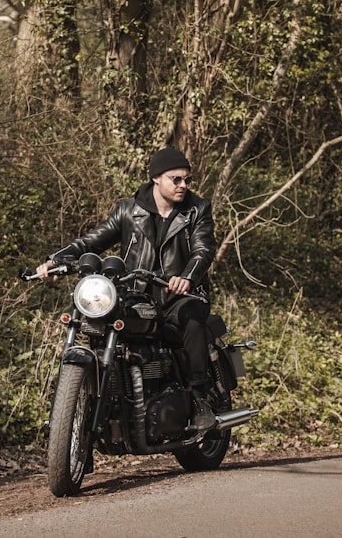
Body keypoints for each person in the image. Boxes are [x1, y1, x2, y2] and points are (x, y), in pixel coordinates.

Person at [35, 147, 218, 431]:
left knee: (192, 322)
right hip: (137, 295)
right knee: (99, 325)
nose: (184, 185)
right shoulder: (128, 210)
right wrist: (56, 259)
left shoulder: (197, 209)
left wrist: (188, 277)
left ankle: (198, 398)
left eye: (187, 180)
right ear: (157, 178)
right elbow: (92, 240)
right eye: (176, 179)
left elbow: (203, 248)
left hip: (181, 295)